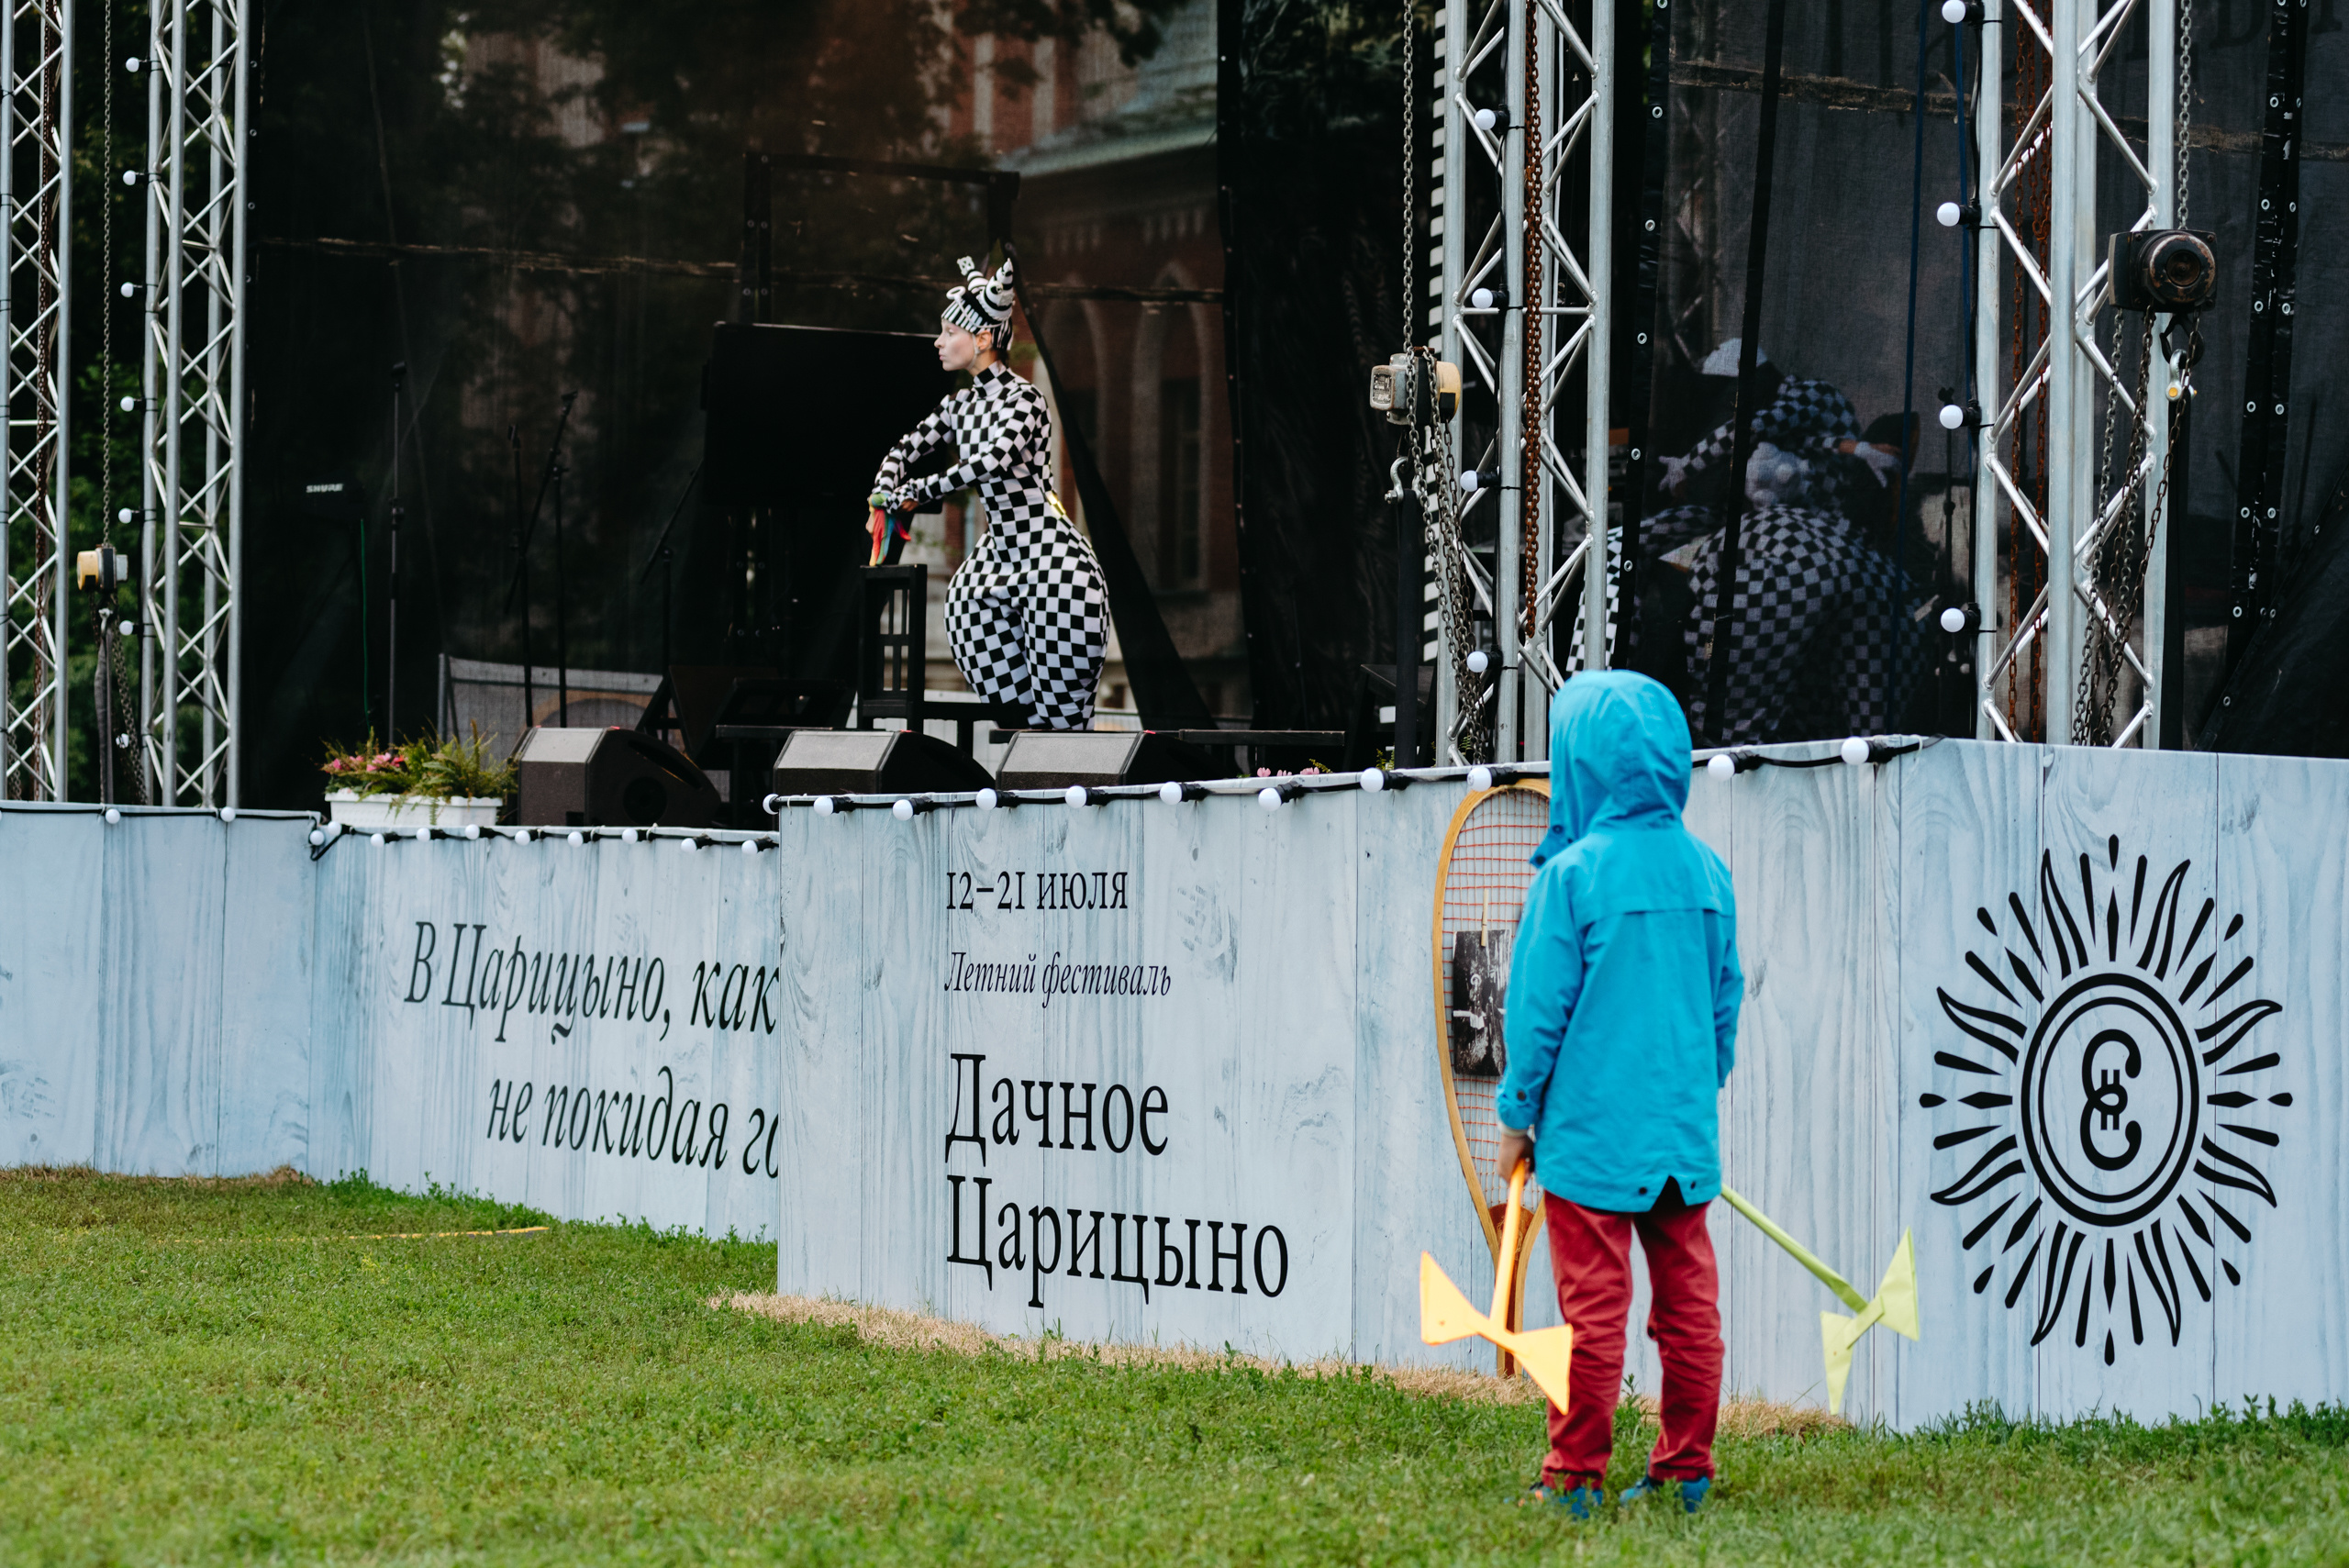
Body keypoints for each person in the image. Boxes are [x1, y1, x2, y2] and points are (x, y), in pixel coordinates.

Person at [1492, 671, 1743, 1520]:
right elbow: (1723, 1001)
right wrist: (1695, 1087)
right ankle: (1686, 1470)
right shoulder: (1709, 872)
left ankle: (1574, 1474)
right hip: (1680, 1139)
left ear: (1579, 765)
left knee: (1592, 1312)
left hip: (1591, 1142)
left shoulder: (1570, 878)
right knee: (1688, 1308)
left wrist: (1517, 1115)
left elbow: (1536, 1015)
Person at [870, 254, 1109, 729]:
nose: (939, 342)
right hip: (997, 556)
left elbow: (992, 463)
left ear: (982, 339)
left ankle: (1057, 745)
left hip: (1048, 555)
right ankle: (1022, 731)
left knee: (1059, 719)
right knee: (964, 610)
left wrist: (919, 488)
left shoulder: (1025, 399)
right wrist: (883, 487)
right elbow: (905, 446)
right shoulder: (958, 405)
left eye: (950, 332)